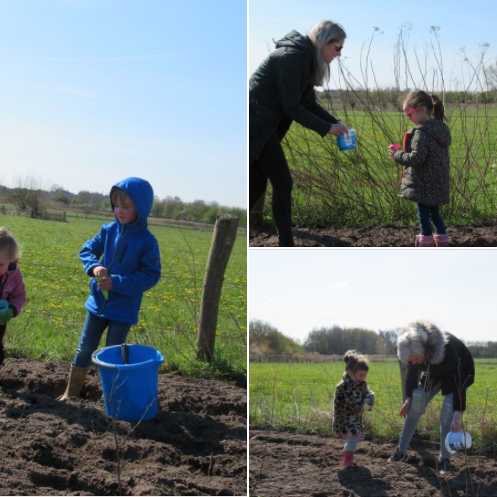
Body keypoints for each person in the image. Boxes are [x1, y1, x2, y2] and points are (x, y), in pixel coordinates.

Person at [59, 177, 161, 400]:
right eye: (116, 205)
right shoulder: (107, 230)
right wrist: (94, 266)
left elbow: (150, 275)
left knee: (112, 354)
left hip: (123, 310)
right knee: (84, 349)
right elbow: (86, 250)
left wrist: (116, 282)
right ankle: (71, 393)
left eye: (126, 207)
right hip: (97, 304)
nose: (119, 211)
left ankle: (111, 399)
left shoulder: (147, 241)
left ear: (141, 209)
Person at [249, 20, 350, 247]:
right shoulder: (293, 58)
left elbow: (309, 104)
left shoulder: (305, 59)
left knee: (256, 183)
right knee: (282, 183)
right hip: (257, 125)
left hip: (264, 126)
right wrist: (327, 128)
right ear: (324, 42)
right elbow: (292, 107)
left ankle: (237, 232)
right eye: (338, 48)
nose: (339, 54)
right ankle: (286, 243)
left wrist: (335, 122)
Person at [389, 322, 475, 473]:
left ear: (424, 348)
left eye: (415, 358)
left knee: (446, 417)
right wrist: (409, 400)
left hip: (459, 374)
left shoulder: (447, 349)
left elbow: (457, 380)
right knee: (414, 407)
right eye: (411, 360)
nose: (414, 362)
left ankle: (445, 459)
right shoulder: (413, 351)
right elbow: (412, 375)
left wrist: (458, 412)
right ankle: (401, 452)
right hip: (434, 373)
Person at [388, 91, 451, 247]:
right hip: (438, 182)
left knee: (423, 215)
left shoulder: (421, 133)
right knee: (435, 214)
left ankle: (426, 241)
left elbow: (416, 158)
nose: (408, 118)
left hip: (423, 183)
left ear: (422, 109)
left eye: (409, 114)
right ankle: (442, 241)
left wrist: (397, 155)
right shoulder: (441, 129)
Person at [333, 350, 375, 469]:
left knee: (354, 438)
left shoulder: (362, 385)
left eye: (365, 375)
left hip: (355, 420)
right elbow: (343, 403)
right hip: (343, 420)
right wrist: (358, 409)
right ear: (350, 373)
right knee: (354, 437)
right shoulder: (341, 387)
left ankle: (348, 456)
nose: (363, 378)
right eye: (360, 375)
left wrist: (367, 403)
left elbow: (369, 394)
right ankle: (347, 459)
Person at [0, 228, 27, 365]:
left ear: (10, 260)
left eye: (0, 264)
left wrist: (12, 308)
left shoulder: (14, 274)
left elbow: (19, 295)